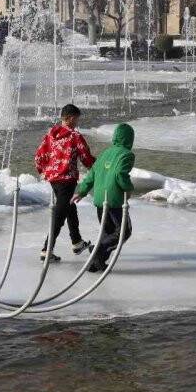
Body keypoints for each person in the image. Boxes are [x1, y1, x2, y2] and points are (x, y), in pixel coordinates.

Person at [34, 103, 96, 263]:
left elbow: (39, 156)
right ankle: (46, 250)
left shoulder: (50, 135)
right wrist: (99, 166)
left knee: (69, 207)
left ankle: (77, 242)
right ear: (71, 118)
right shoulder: (75, 136)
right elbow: (86, 159)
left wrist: (45, 171)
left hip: (54, 179)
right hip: (67, 179)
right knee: (60, 215)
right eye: (77, 119)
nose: (78, 123)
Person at [73, 123, 135, 273]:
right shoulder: (127, 154)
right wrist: (128, 189)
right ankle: (98, 250)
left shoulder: (105, 153)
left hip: (100, 198)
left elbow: (92, 174)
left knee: (107, 232)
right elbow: (120, 174)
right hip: (114, 200)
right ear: (130, 139)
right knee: (124, 232)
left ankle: (95, 264)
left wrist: (81, 191)